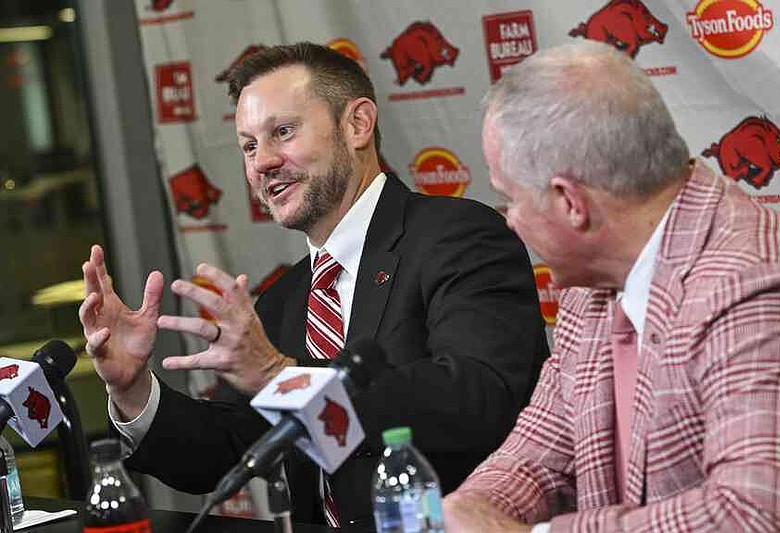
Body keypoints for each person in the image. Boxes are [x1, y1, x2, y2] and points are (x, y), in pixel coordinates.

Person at [79, 42, 549, 527]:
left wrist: (284, 376)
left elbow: (479, 397)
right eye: (248, 145)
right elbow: (219, 452)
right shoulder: (285, 298)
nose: (261, 162)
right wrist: (133, 388)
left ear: (357, 125)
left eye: (282, 132)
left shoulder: (458, 236)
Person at [443, 40, 780, 531]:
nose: (510, 223)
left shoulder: (750, 279)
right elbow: (540, 452)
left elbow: (755, 513)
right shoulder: (589, 286)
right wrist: (466, 510)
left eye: (512, 201)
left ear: (571, 202)